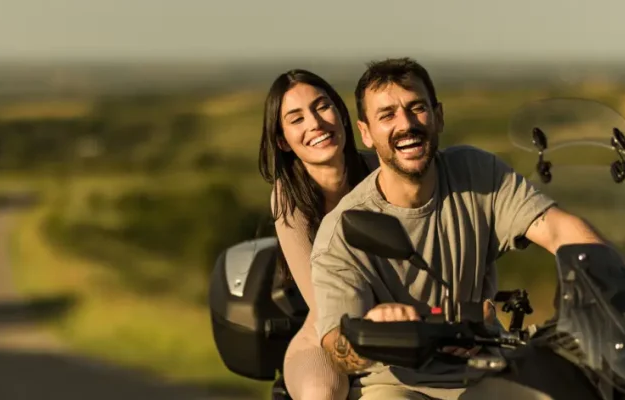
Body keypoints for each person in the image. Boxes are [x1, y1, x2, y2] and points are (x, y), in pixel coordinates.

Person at [309, 57, 607, 400]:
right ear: (366, 132)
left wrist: (616, 279)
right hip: (399, 383)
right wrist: (370, 334)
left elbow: (557, 229)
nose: (406, 124)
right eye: (387, 115)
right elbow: (336, 348)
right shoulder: (342, 232)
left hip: (487, 363)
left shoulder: (477, 172)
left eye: (416, 108)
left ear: (438, 116)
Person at [258, 69, 379, 400]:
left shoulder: (382, 172)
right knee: (321, 393)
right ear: (283, 140)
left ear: (341, 114)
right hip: (327, 332)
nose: (314, 124)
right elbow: (325, 303)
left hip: (404, 326)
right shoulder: (289, 196)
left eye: (322, 107)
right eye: (296, 119)